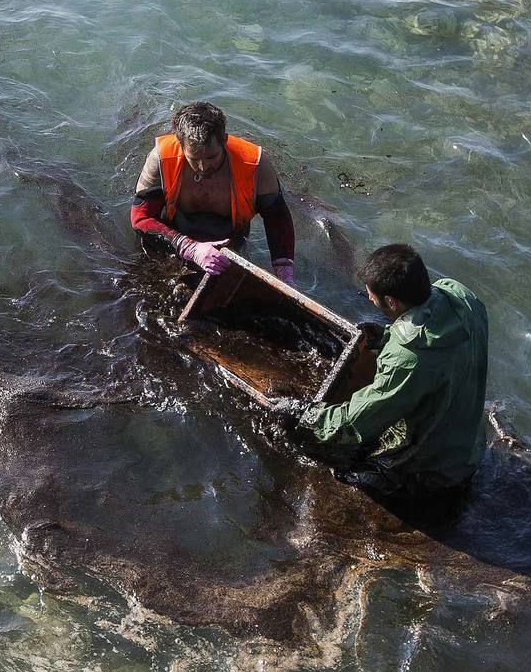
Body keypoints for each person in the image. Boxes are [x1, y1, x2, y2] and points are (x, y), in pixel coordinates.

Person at [284, 244, 489, 500]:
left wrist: (305, 415)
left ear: (390, 300)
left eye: (371, 295)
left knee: (340, 475)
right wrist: (386, 336)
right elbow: (431, 334)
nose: (369, 299)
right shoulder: (461, 296)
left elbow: (357, 421)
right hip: (469, 439)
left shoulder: (407, 359)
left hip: (440, 471)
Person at [130, 101, 296, 283]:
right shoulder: (161, 159)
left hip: (229, 236)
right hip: (174, 233)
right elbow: (141, 219)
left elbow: (277, 218)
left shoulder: (255, 164)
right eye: (194, 158)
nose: (203, 167)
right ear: (180, 144)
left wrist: (284, 273)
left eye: (211, 157)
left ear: (224, 141)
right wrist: (188, 247)